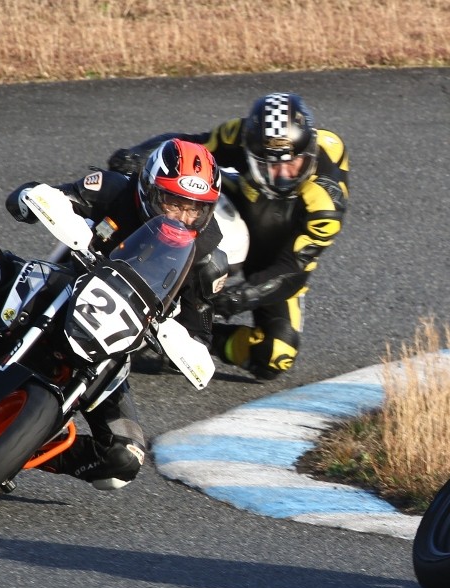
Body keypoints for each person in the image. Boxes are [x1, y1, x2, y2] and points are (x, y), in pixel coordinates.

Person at [0, 139, 225, 489]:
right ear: (148, 190)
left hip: (113, 340)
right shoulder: (113, 189)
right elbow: (43, 196)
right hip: (62, 287)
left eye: (195, 209)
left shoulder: (207, 254)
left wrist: (180, 345)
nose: (183, 217)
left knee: (122, 460)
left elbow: (199, 332)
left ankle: (13, 452)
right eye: (173, 203)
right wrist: (33, 199)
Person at [107, 91, 349, 380]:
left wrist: (241, 297)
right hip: (234, 210)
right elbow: (187, 148)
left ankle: (191, 336)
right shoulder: (241, 134)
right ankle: (119, 260)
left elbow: (294, 270)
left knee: (276, 355)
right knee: (178, 207)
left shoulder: (326, 203)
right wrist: (137, 155)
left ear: (308, 150)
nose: (283, 175)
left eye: (293, 163)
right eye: (270, 165)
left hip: (278, 257)